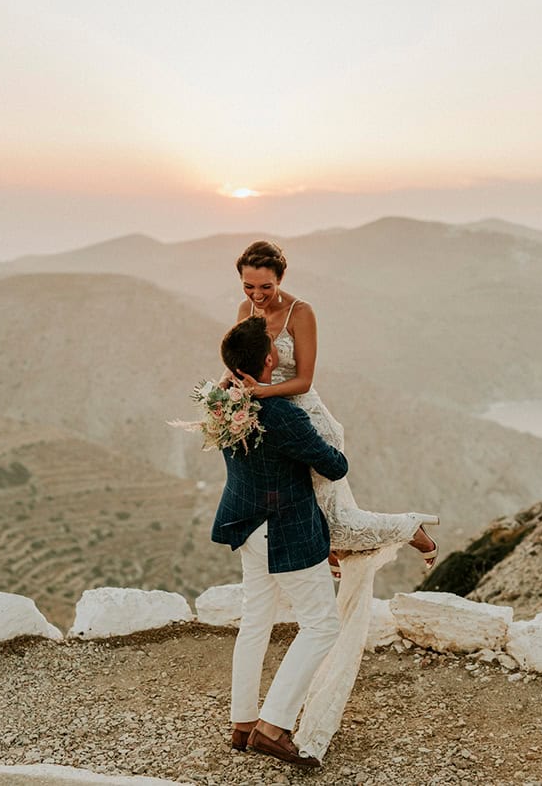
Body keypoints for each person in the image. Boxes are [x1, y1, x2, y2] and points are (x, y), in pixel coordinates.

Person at [225, 240, 440, 761]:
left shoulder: (303, 313)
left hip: (302, 418)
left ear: (281, 278)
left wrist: (254, 395)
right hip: (266, 420)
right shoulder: (244, 313)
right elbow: (239, 364)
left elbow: (303, 379)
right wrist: (236, 393)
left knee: (335, 518)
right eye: (248, 287)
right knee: (272, 594)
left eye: (265, 287)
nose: (256, 296)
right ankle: (248, 722)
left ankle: (397, 530)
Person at [212, 315, 348, 768]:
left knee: (256, 619)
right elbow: (334, 466)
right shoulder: (283, 413)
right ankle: (273, 726)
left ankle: (243, 721)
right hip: (284, 531)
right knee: (322, 625)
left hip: (246, 525)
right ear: (270, 359)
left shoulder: (223, 402)